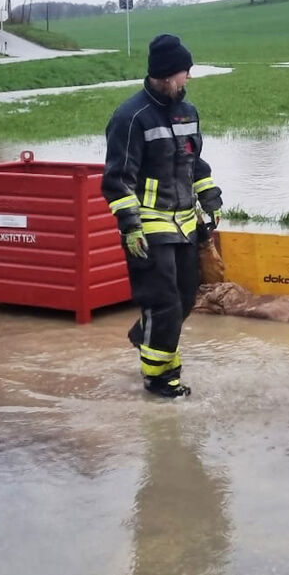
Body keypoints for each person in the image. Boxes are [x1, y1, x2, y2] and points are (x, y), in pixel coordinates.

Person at [102, 33, 222, 399]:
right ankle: (158, 379)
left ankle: (145, 335)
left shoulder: (188, 111)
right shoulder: (130, 117)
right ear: (169, 75)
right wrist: (129, 227)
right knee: (164, 301)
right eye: (186, 73)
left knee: (185, 299)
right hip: (149, 227)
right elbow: (117, 179)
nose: (188, 79)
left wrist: (210, 196)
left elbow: (193, 161)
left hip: (185, 223)